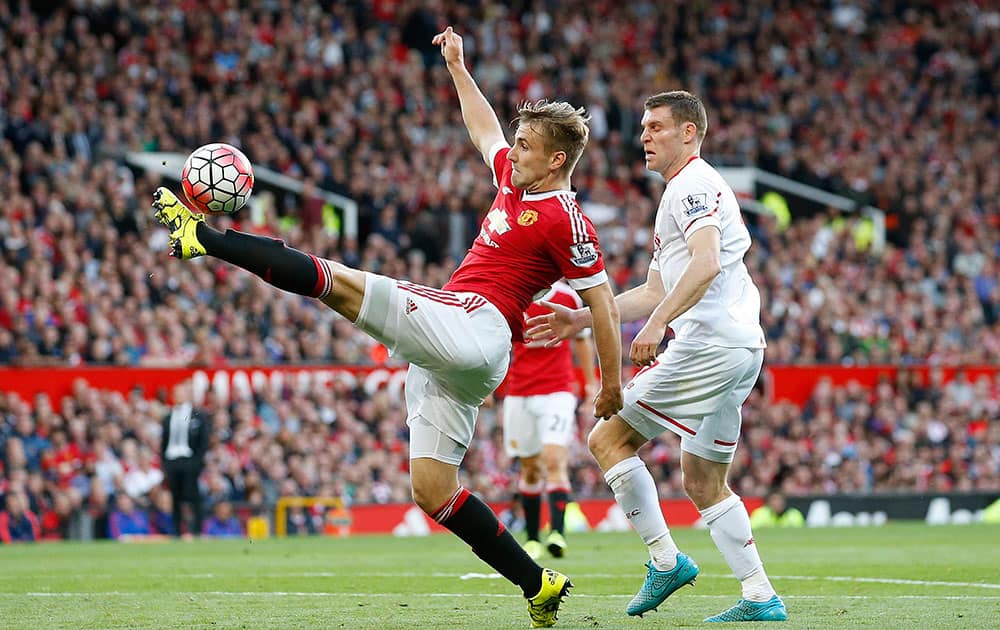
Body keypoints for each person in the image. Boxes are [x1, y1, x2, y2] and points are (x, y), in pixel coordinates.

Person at [151, 25, 622, 628]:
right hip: (456, 355)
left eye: (526, 144)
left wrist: (609, 384)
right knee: (431, 489)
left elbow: (602, 304)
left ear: (557, 159)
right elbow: (484, 129)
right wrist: (457, 65)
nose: (515, 150)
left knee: (342, 284)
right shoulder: (514, 178)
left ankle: (206, 239)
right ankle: (538, 584)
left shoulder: (566, 218)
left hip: (476, 325)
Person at [527, 91, 786, 622]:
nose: (643, 136)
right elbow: (652, 287)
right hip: (739, 348)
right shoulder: (680, 192)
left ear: (688, 132)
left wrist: (660, 321)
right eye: (642, 127)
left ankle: (665, 561)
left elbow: (706, 263)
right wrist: (582, 317)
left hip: (709, 344)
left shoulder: (692, 185)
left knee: (607, 437)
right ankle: (761, 597)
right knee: (702, 479)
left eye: (656, 127)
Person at [503, 281, 596, 560]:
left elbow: (582, 340)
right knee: (529, 468)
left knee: (554, 460)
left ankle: (557, 533)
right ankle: (532, 539)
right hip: (519, 392)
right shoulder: (514, 295)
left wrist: (591, 385)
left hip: (557, 390)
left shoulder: (567, 297)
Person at [161, 381, 210, 538]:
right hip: (172, 460)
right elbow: (164, 441)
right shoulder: (168, 417)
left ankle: (196, 530)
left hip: (189, 460)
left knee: (193, 495)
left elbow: (203, 441)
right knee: (175, 497)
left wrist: (196, 462)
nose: (178, 396)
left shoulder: (198, 415)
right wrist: (165, 462)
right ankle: (177, 530)